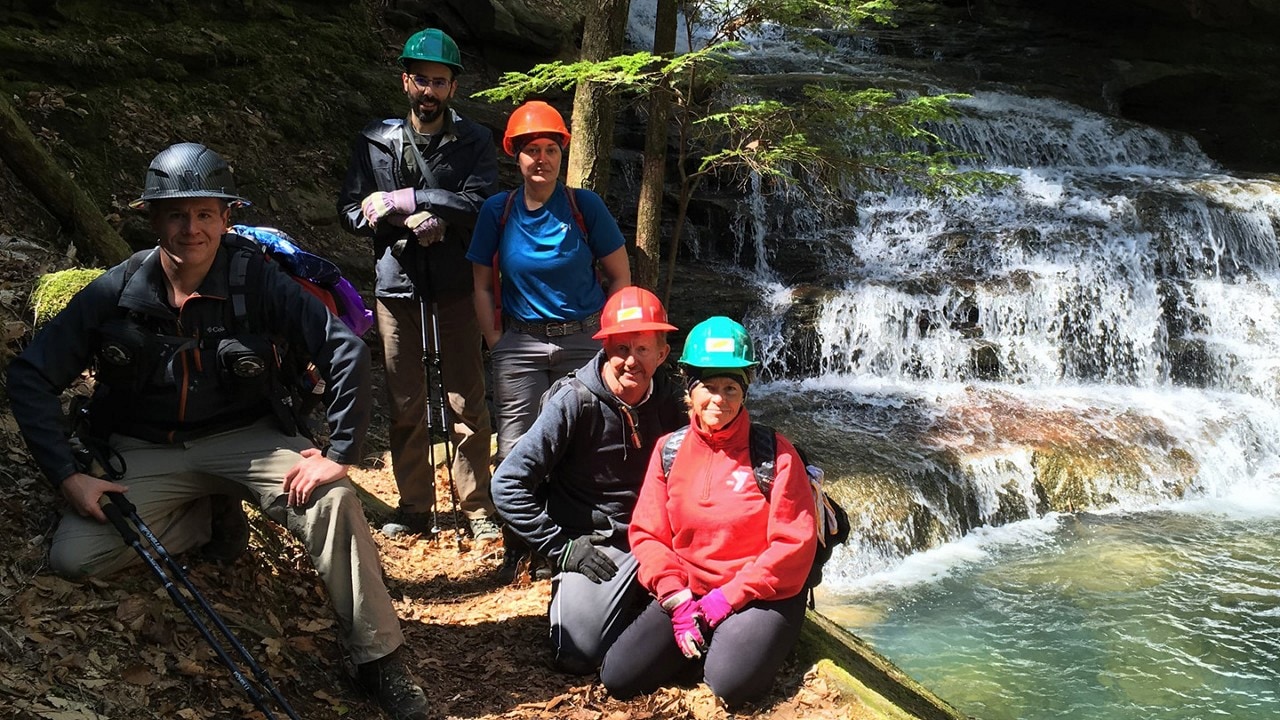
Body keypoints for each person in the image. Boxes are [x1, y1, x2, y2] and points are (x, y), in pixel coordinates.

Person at [6, 142, 429, 720]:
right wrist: (68, 476)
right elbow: (30, 376)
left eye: (205, 213)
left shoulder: (257, 282)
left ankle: (380, 660)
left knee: (331, 499)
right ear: (153, 219)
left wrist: (340, 452)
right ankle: (203, 516)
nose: (191, 228)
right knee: (75, 558)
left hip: (248, 438)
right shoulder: (116, 291)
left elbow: (346, 350)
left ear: (226, 217)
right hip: (144, 448)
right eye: (176, 214)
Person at [600, 316, 819, 709]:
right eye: (708, 388)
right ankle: (709, 638)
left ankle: (736, 642)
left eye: (730, 388)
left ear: (745, 392)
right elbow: (648, 534)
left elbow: (793, 545)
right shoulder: (669, 449)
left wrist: (728, 599)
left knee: (728, 685)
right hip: (690, 590)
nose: (719, 400)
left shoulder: (775, 454)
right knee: (618, 676)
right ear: (690, 390)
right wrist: (674, 596)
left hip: (760, 593)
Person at [337, 27, 500, 541]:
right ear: (405, 80)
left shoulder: (473, 141)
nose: (428, 91)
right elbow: (348, 211)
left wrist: (424, 204)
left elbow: (482, 206)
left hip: (455, 285)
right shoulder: (375, 140)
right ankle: (414, 508)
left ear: (452, 87)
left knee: (466, 399)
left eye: (439, 81)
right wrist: (379, 215)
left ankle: (475, 507)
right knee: (405, 400)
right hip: (396, 285)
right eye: (421, 80)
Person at [490, 287, 686, 674]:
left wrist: (784, 458)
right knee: (577, 654)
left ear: (662, 354)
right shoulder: (574, 401)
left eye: (643, 349)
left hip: (661, 537)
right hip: (595, 544)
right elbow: (507, 484)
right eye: (621, 349)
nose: (632, 361)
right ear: (605, 348)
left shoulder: (673, 402)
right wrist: (561, 548)